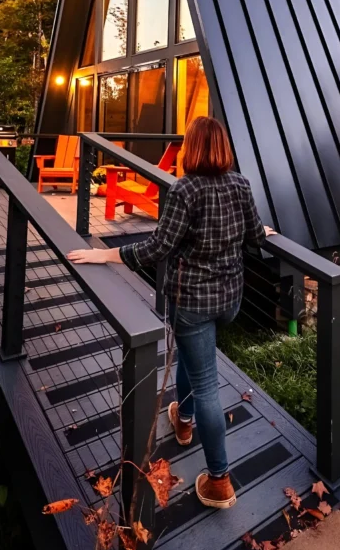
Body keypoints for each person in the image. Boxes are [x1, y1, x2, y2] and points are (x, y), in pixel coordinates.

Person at [67, 116, 273, 510]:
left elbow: (157, 248)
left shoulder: (185, 190)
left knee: (208, 384)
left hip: (193, 302)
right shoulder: (240, 184)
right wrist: (266, 235)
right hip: (229, 300)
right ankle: (183, 418)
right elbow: (254, 234)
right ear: (223, 147)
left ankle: (219, 481)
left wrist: (105, 253)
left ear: (192, 148)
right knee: (195, 362)